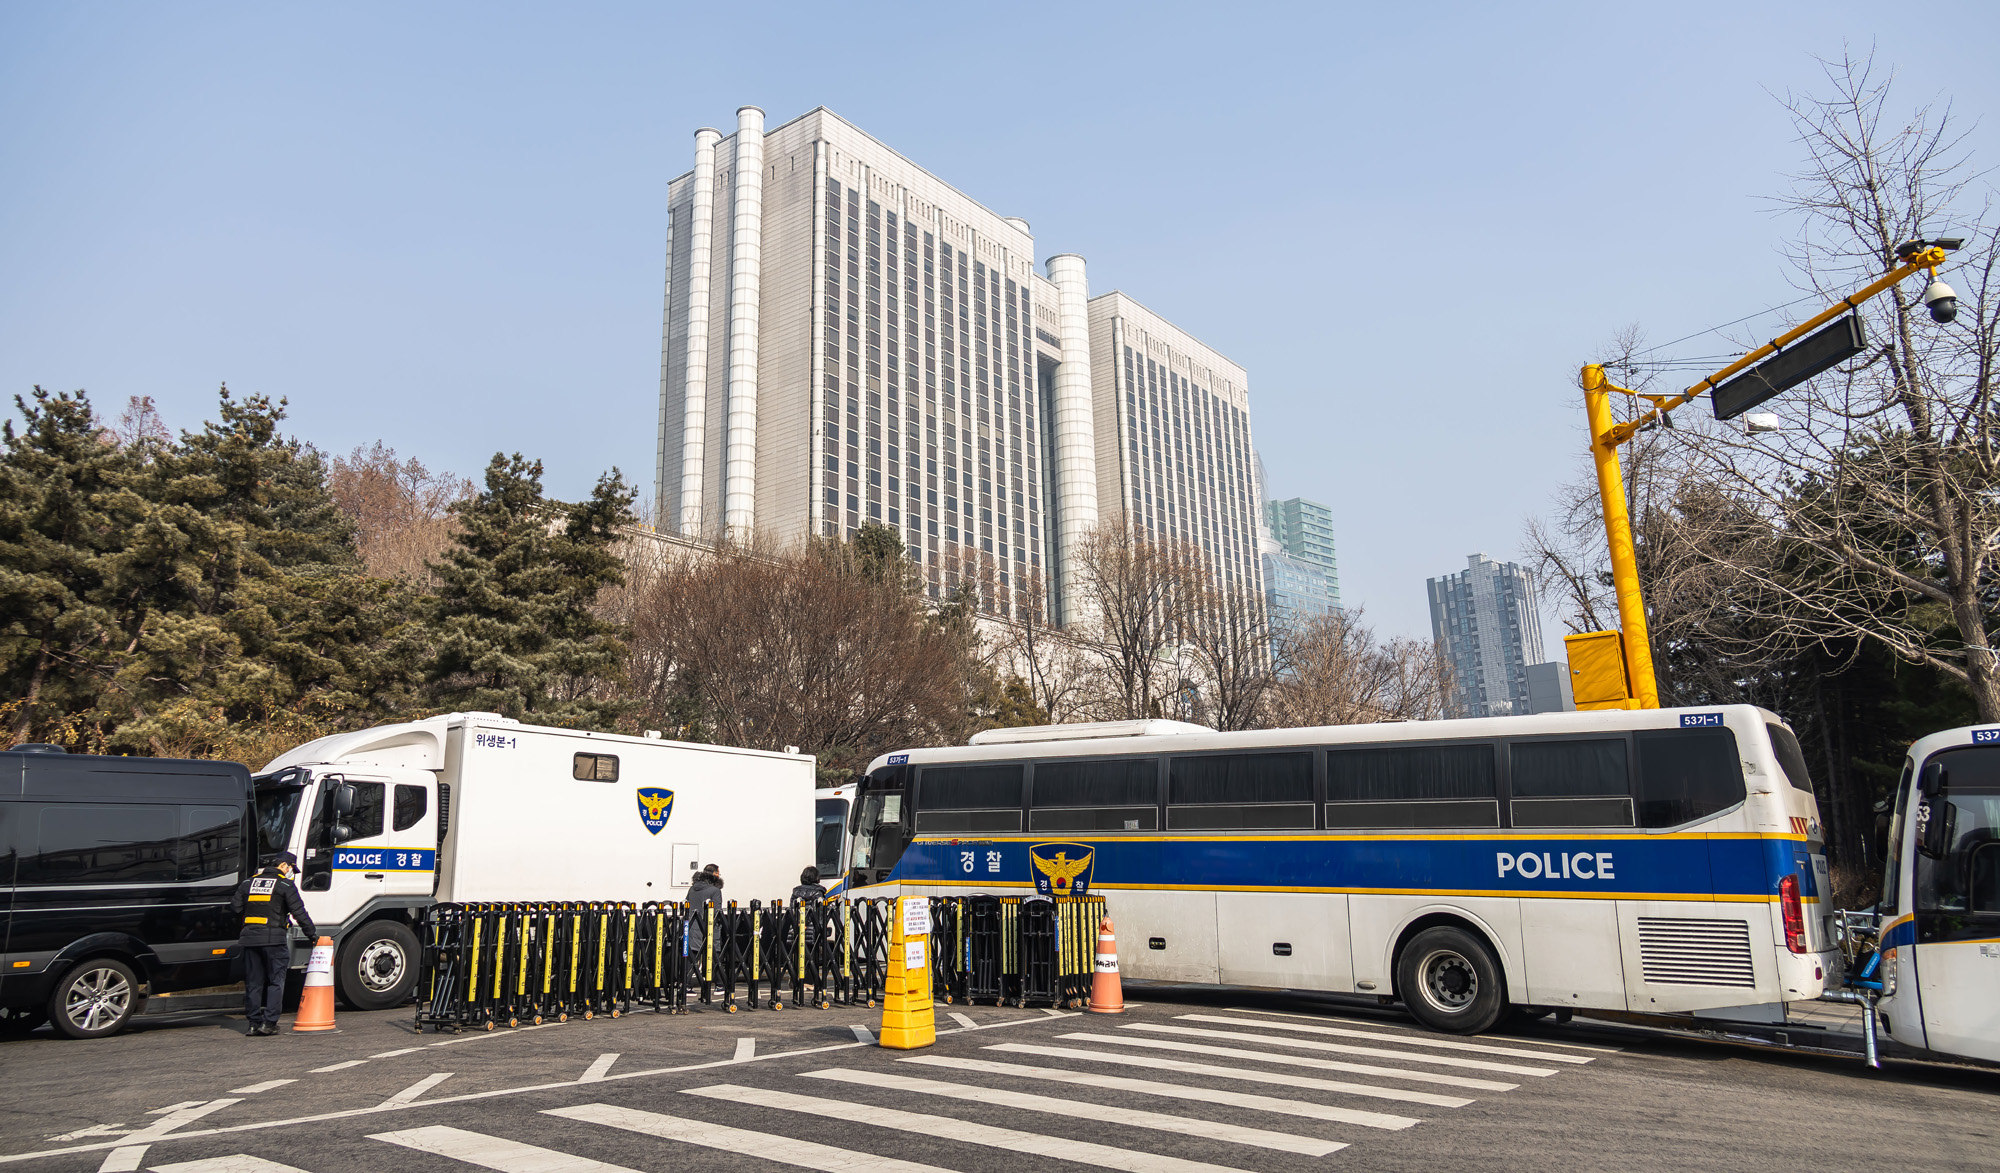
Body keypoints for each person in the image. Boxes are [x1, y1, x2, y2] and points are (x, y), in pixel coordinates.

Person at [230, 853, 315, 1037]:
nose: (291, 872)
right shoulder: (284, 884)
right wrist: (312, 935)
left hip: (250, 940)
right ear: (283, 865)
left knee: (254, 983)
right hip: (274, 940)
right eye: (291, 868)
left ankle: (253, 1024)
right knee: (276, 981)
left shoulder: (248, 883)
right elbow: (299, 912)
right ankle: (269, 1024)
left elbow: (234, 908)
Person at [685, 863, 724, 981]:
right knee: (714, 956)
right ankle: (719, 984)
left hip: (693, 927)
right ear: (713, 874)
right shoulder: (715, 891)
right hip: (709, 927)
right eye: (718, 873)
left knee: (692, 957)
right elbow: (717, 911)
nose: (719, 875)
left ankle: (687, 985)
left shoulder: (692, 889)